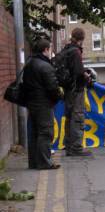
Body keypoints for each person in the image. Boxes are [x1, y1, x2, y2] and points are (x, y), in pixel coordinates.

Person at [23, 39, 63, 169]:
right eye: (50, 49)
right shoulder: (45, 66)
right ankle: (45, 162)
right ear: (45, 50)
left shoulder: (29, 63)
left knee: (34, 133)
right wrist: (59, 96)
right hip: (43, 104)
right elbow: (52, 88)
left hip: (32, 103)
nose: (51, 51)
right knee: (45, 132)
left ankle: (34, 162)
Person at [62, 28, 92, 156]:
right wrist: (87, 76)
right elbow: (79, 72)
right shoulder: (75, 52)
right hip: (76, 89)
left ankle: (68, 146)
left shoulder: (66, 50)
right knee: (78, 117)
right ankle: (76, 148)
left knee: (69, 117)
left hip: (68, 89)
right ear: (82, 39)